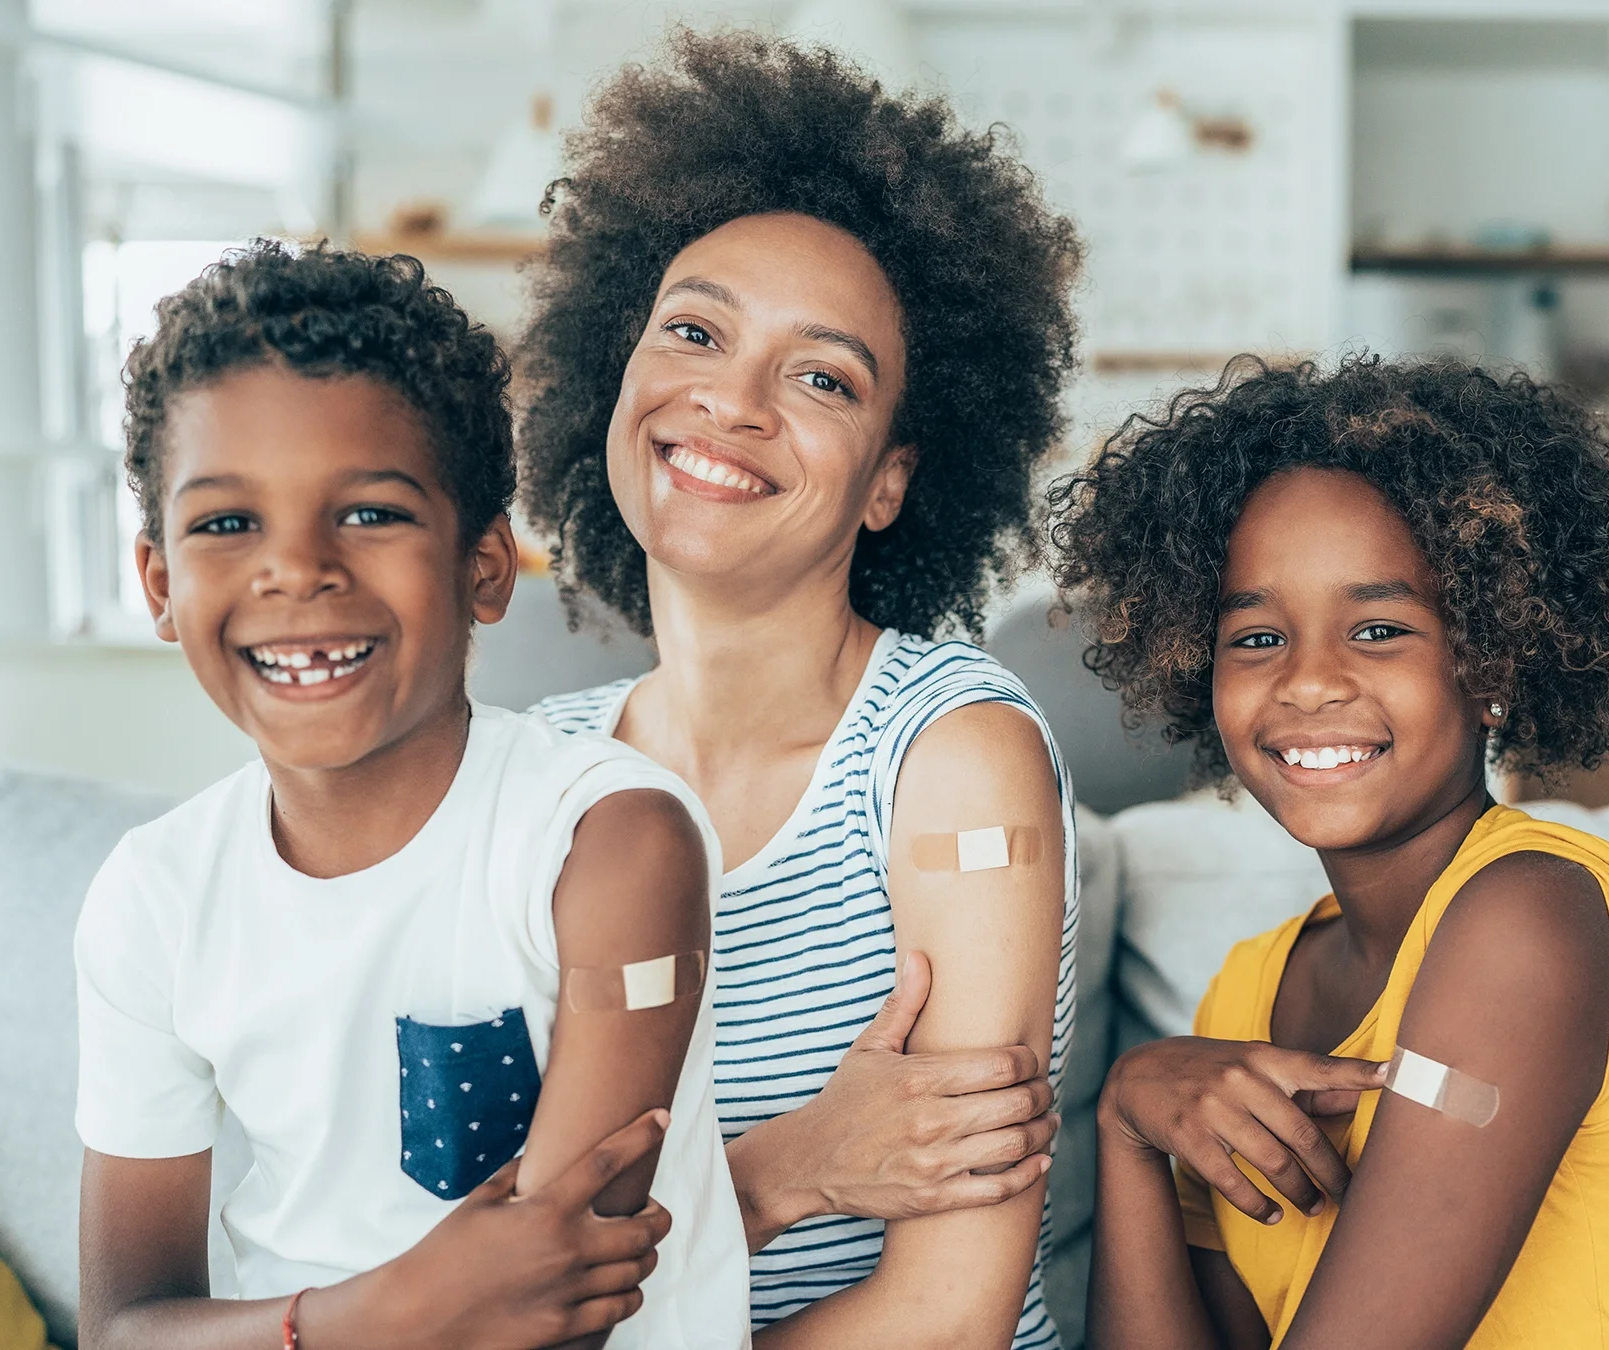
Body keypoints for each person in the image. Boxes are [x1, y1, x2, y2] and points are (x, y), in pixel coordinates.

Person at [74, 242, 748, 1349]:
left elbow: (554, 1310)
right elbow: (125, 1329)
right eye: (226, 524)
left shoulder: (613, 843)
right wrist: (381, 1309)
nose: (296, 570)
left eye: (371, 514)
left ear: (485, 566)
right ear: (159, 583)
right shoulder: (154, 898)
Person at [516, 31, 1081, 1350]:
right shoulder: (536, 774)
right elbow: (498, 1266)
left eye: (822, 376)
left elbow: (948, 1313)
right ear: (621, 374)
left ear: (891, 479)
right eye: (696, 330)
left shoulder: (952, 755)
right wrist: (787, 1168)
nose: (732, 399)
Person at [1054, 358, 1609, 1349]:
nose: (1305, 683)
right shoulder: (1246, 994)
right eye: (1255, 638)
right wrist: (1126, 1122)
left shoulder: (1533, 918)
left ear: (1493, 663)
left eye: (1378, 629)